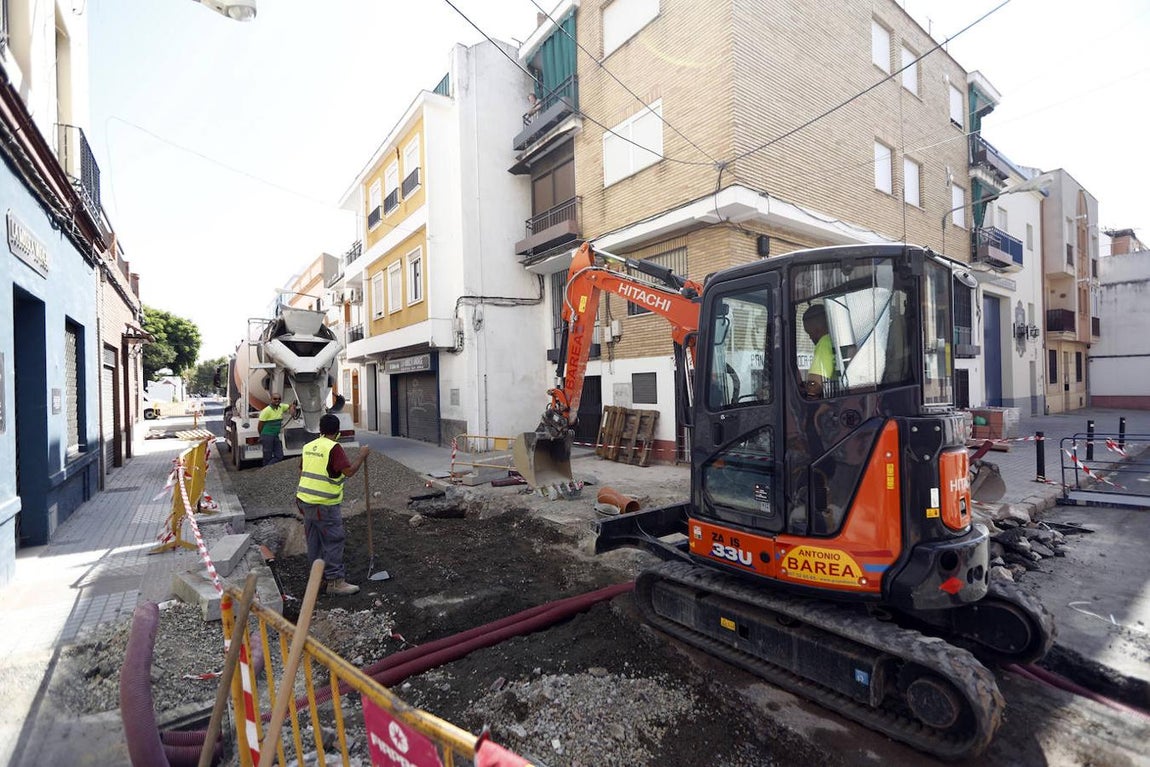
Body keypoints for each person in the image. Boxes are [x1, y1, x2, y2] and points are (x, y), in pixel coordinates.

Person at [296, 414, 372, 596]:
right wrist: (362, 456)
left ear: (320, 430)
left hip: (305, 501)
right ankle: (335, 581)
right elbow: (349, 471)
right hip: (324, 505)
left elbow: (301, 470)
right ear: (337, 431)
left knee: (314, 542)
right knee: (333, 541)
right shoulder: (333, 448)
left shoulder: (308, 447)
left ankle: (317, 579)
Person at [802, 304, 835, 397]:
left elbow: (815, 385)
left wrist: (808, 391)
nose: (810, 337)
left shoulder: (824, 343)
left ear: (816, 329)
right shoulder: (834, 340)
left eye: (809, 333)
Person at [257, 393, 296, 466]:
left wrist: (292, 408)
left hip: (275, 436)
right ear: (271, 400)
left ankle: (268, 467)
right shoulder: (266, 411)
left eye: (279, 399)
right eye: (275, 399)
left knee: (279, 456)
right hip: (267, 436)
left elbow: (290, 405)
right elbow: (260, 425)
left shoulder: (281, 407)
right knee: (267, 456)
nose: (277, 400)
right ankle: (266, 471)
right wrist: (261, 435)